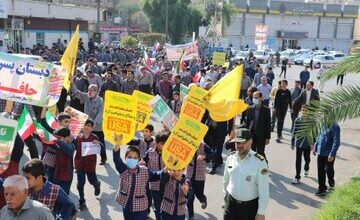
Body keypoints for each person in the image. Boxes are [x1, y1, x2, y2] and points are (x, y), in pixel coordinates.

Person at [113, 135, 163, 220]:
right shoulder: (123, 169)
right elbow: (116, 159)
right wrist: (117, 144)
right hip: (126, 205)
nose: (132, 159)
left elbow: (155, 175)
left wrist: (165, 170)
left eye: (135, 158)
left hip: (141, 207)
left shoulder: (144, 170)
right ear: (125, 158)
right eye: (129, 157)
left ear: (139, 159)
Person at [223, 128, 269, 220]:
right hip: (231, 204)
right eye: (237, 143)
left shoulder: (259, 162)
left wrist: (261, 212)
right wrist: (225, 199)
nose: (239, 146)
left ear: (250, 142)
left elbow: (263, 189)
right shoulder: (230, 158)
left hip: (249, 207)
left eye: (242, 143)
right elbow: (226, 180)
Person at [71, 81, 107, 165]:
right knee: (83, 144)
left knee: (100, 143)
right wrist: (72, 83)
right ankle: (82, 162)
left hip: (97, 127)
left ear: (96, 91)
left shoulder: (101, 101)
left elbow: (100, 114)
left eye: (91, 90)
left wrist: (93, 125)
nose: (89, 92)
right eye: (88, 90)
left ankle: (103, 158)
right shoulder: (86, 97)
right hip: (86, 126)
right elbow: (77, 93)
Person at [74, 119, 101, 210]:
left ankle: (97, 185)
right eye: (85, 125)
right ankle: (82, 201)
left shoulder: (95, 137)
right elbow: (72, 146)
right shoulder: (78, 137)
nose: (86, 127)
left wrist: (99, 144)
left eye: (89, 125)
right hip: (79, 164)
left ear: (92, 128)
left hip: (90, 165)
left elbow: (102, 149)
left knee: (92, 180)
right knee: (80, 183)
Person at [141, 131, 168, 220]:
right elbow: (143, 160)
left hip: (167, 184)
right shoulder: (150, 152)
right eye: (163, 143)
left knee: (167, 207)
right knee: (157, 207)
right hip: (153, 185)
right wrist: (142, 162)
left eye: (167, 143)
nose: (165, 145)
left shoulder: (169, 153)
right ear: (156, 143)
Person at [313, 123, 341, 196]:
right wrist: (315, 147)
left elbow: (336, 141)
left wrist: (332, 154)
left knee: (329, 170)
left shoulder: (335, 126)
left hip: (329, 154)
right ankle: (322, 189)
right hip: (320, 152)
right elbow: (319, 136)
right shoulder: (323, 124)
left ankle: (331, 184)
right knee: (320, 171)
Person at [291, 107, 313, 184]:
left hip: (307, 144)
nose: (304, 112)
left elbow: (314, 133)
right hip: (299, 143)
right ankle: (297, 177)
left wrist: (313, 143)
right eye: (303, 110)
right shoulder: (298, 120)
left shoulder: (311, 121)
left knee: (307, 159)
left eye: (306, 110)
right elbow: (294, 131)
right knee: (298, 160)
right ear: (301, 111)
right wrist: (292, 142)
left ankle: (306, 168)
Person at [246, 92, 271, 159]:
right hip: (252, 134)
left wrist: (268, 137)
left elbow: (268, 124)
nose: (254, 99)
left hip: (261, 135)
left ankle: (263, 165)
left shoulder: (266, 110)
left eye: (256, 98)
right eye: (253, 97)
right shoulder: (250, 108)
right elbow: (247, 123)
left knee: (260, 152)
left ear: (261, 98)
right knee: (252, 151)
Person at [186, 143, 207, 219]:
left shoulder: (204, 146)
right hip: (189, 176)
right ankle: (191, 215)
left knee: (199, 194)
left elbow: (213, 155)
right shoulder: (187, 145)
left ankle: (203, 199)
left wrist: (204, 157)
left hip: (200, 176)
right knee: (190, 198)